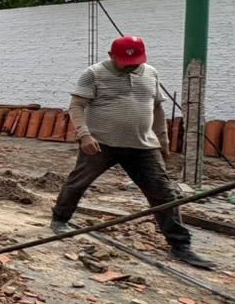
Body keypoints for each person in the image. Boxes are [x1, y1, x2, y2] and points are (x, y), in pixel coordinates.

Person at [51, 36, 214, 269]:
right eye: (125, 62)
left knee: (164, 193)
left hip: (143, 146)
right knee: (78, 182)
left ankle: (180, 245)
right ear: (111, 56)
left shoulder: (150, 73)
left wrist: (162, 137)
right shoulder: (93, 74)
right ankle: (60, 219)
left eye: (136, 61)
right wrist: (84, 134)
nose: (131, 66)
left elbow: (157, 107)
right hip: (101, 143)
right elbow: (77, 105)